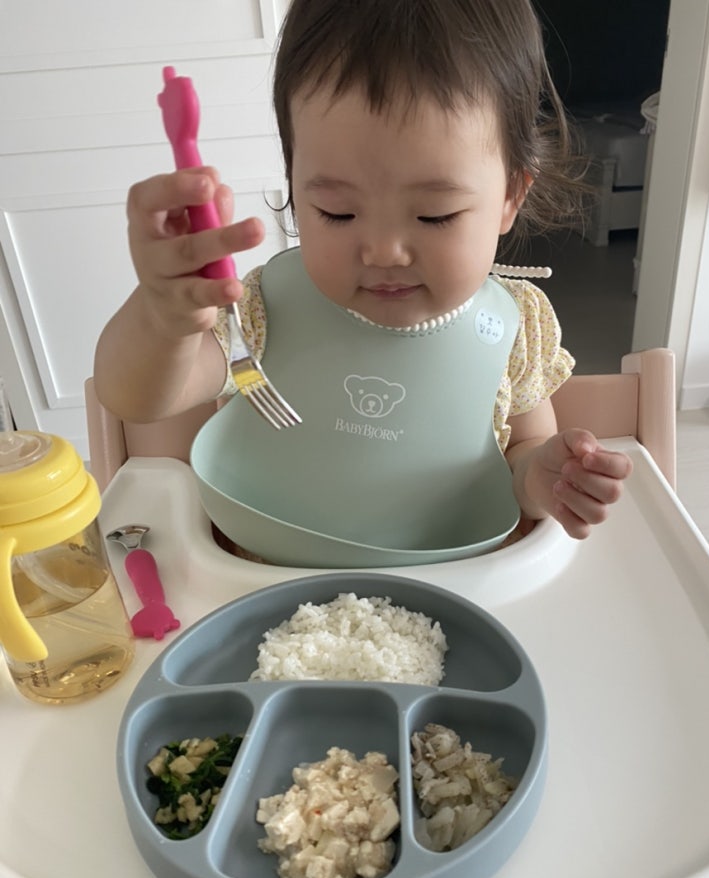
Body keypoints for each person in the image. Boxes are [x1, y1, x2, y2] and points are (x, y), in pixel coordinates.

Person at [94, 0, 632, 552]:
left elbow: (520, 457)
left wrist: (544, 477)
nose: (383, 252)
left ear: (510, 196)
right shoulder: (260, 315)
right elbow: (134, 399)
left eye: (434, 216)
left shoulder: (514, 330)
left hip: (454, 584)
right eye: (338, 212)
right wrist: (164, 316)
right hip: (271, 580)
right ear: (295, 184)